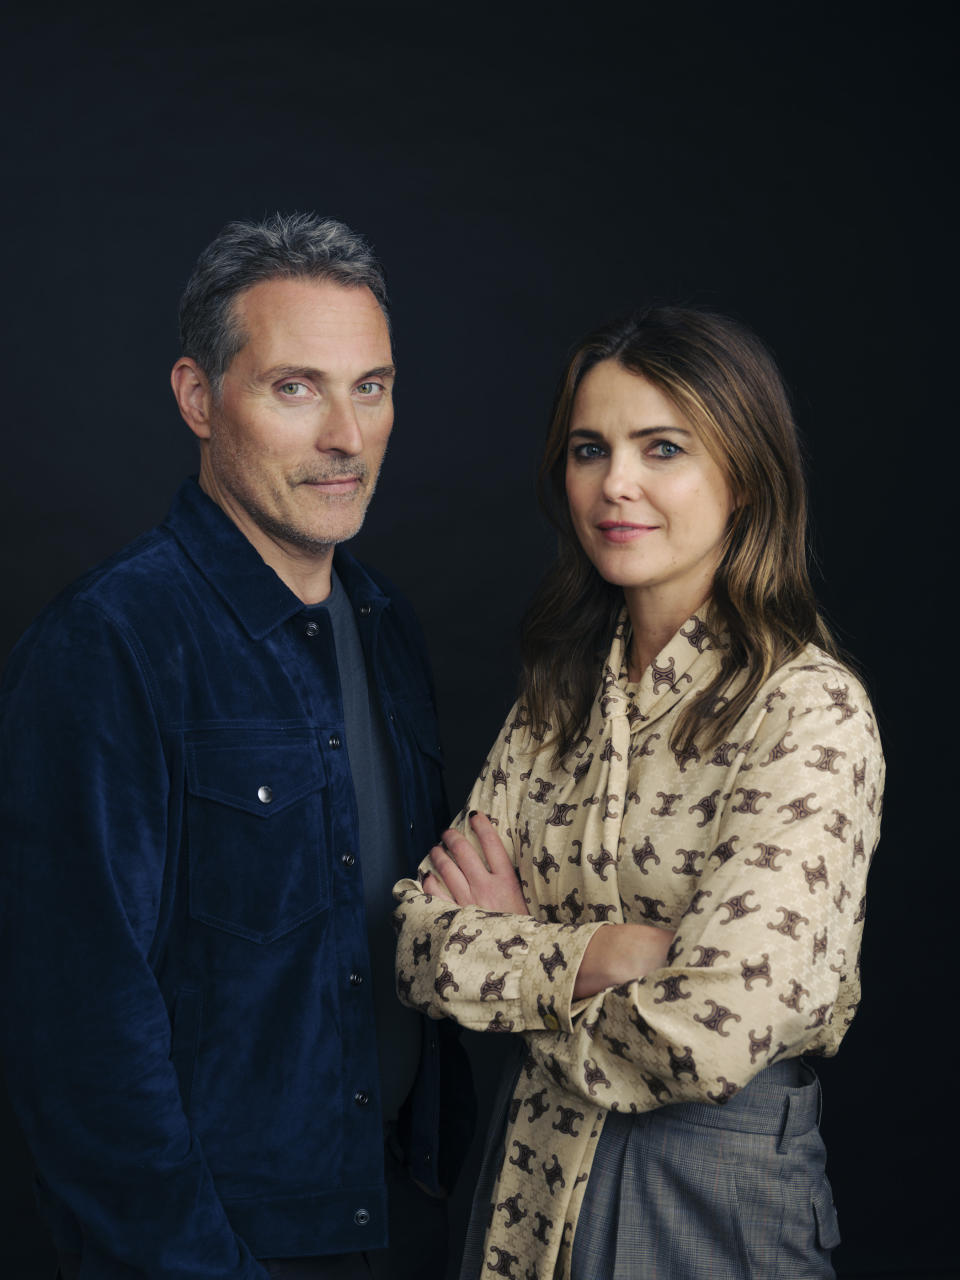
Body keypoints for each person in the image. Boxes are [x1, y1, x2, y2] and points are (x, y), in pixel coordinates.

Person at [0, 213, 472, 1279]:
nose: (347, 435)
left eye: (372, 385)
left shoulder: (387, 624)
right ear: (197, 397)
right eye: (295, 387)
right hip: (229, 1249)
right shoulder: (109, 645)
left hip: (402, 1220)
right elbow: (79, 1043)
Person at [394, 306, 884, 1280]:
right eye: (590, 448)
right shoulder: (558, 698)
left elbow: (712, 1031)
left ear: (744, 473)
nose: (616, 483)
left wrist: (523, 965)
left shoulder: (807, 711)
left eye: (662, 447)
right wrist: (599, 955)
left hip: (707, 1189)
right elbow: (417, 942)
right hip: (530, 1176)